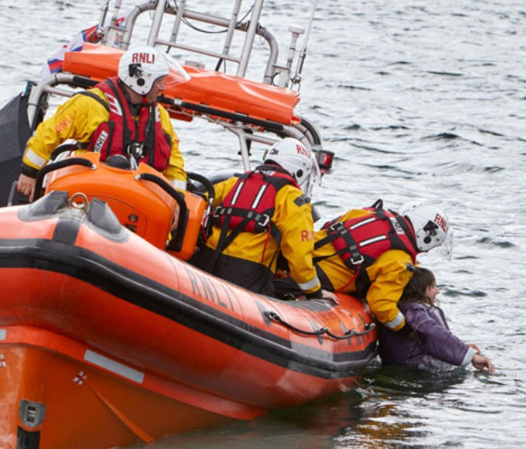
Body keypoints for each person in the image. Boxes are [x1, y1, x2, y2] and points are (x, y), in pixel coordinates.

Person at [17, 46, 188, 199]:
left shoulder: (160, 116)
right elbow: (49, 133)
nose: (162, 88)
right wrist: (30, 173)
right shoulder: (89, 105)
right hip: (88, 192)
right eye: (159, 82)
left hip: (139, 199)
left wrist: (176, 199)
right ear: (140, 79)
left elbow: (174, 163)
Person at [192, 137, 324, 298]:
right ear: (300, 170)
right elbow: (299, 256)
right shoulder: (292, 199)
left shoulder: (234, 183)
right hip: (246, 281)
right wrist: (315, 292)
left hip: (204, 266)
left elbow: (196, 204)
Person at [312, 200, 450, 333]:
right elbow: (381, 305)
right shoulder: (400, 262)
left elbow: (330, 227)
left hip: (302, 255)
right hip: (320, 277)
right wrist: (404, 328)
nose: (426, 251)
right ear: (426, 238)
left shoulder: (373, 214)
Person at [377, 267, 494, 373]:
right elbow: (430, 332)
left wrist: (462, 348)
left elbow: (427, 341)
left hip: (405, 369)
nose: (437, 291)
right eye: (433, 286)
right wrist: (470, 356)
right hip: (418, 374)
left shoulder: (402, 309)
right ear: (422, 290)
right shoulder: (414, 311)